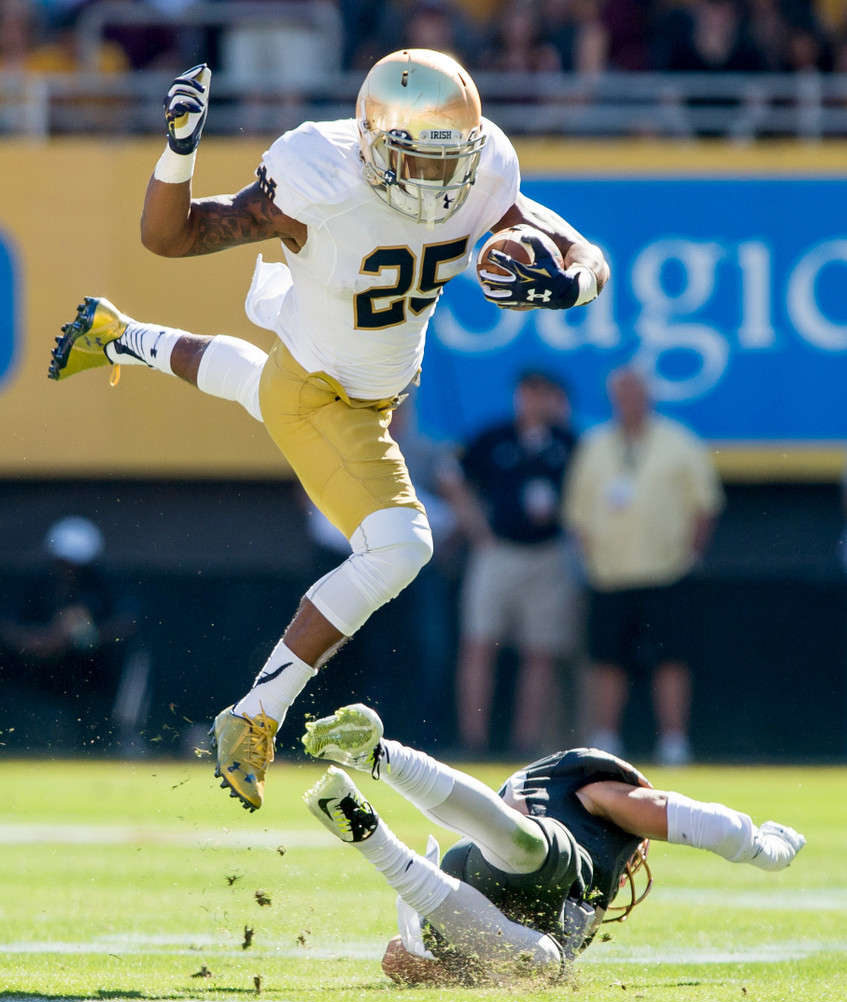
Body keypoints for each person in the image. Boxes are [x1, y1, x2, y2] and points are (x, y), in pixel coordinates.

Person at [48, 50, 610, 811]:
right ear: (375, 144)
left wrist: (570, 280)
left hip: (334, 344)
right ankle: (255, 714)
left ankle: (119, 337)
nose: (434, 183)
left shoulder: (484, 169)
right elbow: (170, 238)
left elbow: (584, 253)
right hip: (325, 392)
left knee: (254, 381)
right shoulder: (317, 175)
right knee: (402, 544)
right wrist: (179, 150)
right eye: (414, 159)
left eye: (448, 162)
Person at [301, 702, 805, 985]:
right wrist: (762, 846)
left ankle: (369, 832)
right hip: (530, 857)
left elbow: (399, 958)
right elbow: (687, 817)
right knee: (529, 850)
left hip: (470, 887)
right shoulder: (595, 791)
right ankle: (381, 755)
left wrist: (452, 972)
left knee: (539, 963)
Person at [563, 365, 724, 766]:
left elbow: (705, 504)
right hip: (609, 574)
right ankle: (606, 739)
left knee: (670, 659)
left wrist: (690, 555)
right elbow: (576, 513)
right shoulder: (595, 444)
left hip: (666, 571)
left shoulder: (679, 441)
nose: (629, 401)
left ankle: (673, 741)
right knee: (607, 660)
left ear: (649, 396)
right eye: (621, 394)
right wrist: (589, 557)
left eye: (636, 392)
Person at [444, 369, 581, 757]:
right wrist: (478, 531)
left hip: (548, 554)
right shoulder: (494, 436)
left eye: (543, 393)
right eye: (528, 392)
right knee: (479, 643)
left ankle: (526, 743)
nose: (534, 401)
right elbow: (454, 480)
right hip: (498, 551)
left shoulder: (569, 442)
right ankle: (473, 739)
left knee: (541, 651)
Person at [0, 516, 138, 752]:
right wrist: (43, 640)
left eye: (77, 564)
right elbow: (10, 627)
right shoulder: (35, 585)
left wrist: (87, 635)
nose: (70, 570)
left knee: (98, 726)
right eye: (64, 562)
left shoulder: (104, 585)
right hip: (37, 680)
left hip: (94, 679)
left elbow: (126, 624)